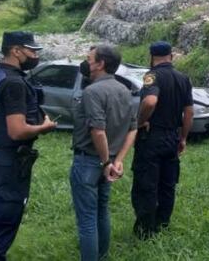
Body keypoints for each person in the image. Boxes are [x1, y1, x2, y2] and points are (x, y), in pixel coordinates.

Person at [70, 45, 137, 261]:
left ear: (100, 64)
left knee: (87, 219)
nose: (85, 62)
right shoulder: (124, 90)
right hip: (108, 164)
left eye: (88, 59)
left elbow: (98, 131)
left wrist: (107, 160)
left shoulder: (92, 91)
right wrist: (118, 160)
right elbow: (133, 128)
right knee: (101, 211)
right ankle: (102, 256)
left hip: (90, 161)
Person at [0, 31, 57, 260]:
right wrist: (45, 127)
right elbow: (17, 130)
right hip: (11, 161)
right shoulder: (14, 83)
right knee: (5, 218)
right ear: (16, 50)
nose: (35, 55)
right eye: (32, 50)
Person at [131, 41, 193, 239]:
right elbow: (189, 112)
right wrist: (183, 137)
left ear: (151, 57)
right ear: (171, 56)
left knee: (146, 183)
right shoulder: (183, 78)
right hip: (172, 137)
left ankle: (145, 229)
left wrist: (140, 121)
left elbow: (150, 101)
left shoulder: (152, 76)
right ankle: (162, 223)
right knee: (167, 183)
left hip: (152, 138)